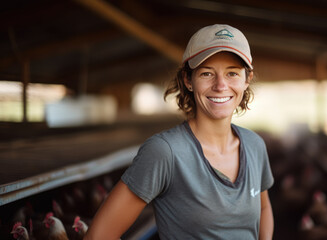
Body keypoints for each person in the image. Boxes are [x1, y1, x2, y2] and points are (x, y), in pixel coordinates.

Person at [84, 24, 274, 240]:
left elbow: (264, 209)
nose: (221, 85)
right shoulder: (166, 152)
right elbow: (98, 236)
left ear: (246, 79)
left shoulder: (254, 145)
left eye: (232, 73)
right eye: (206, 73)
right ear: (187, 80)